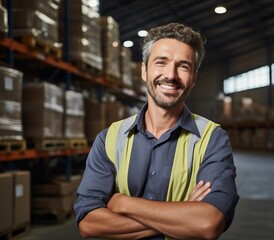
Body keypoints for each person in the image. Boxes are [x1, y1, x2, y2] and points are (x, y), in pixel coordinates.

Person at [74, 22, 239, 240]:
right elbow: (89, 223)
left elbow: (208, 223)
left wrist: (123, 203)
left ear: (194, 79)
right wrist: (182, 214)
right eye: (161, 62)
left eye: (183, 66)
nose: (170, 75)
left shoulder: (212, 138)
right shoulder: (110, 138)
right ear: (144, 70)